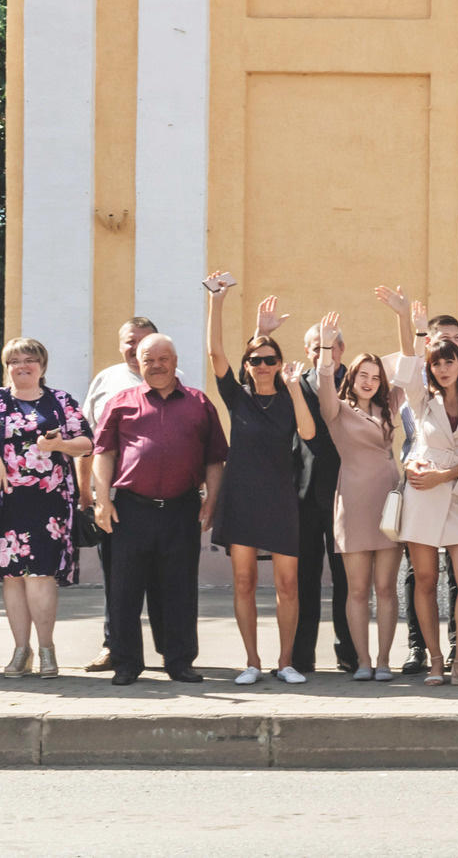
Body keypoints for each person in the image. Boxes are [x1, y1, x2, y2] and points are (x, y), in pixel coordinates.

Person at [90, 332, 226, 685]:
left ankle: (179, 661)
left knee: (179, 589)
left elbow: (215, 458)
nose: (155, 365)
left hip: (182, 510)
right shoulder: (122, 401)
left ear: (175, 361)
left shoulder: (198, 402)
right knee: (124, 590)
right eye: (148, 359)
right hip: (131, 510)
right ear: (139, 362)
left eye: (162, 358)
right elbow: (103, 452)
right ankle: (126, 663)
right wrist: (102, 500)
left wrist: (211, 500)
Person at [203, 273, 315, 685]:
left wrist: (295, 388)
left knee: (288, 584)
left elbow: (307, 433)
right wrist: (218, 300)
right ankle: (251, 660)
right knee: (245, 581)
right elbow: (215, 350)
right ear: (248, 366)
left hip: (281, 499)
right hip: (242, 499)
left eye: (271, 360)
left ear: (279, 364)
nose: (264, 366)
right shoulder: (237, 396)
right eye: (256, 360)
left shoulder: (290, 397)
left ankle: (285, 661)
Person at [0, 337, 92, 676]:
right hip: (2, 500)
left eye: (30, 360)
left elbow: (87, 442)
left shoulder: (59, 401)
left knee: (40, 575)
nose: (23, 366)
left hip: (47, 502)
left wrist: (60, 444)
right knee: (12, 578)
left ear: (42, 366)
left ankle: (47, 649)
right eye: (15, 361)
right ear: (7, 368)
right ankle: (22, 650)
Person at [311, 312, 408, 680]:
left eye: (375, 376)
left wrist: (402, 316)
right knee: (356, 590)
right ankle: (363, 662)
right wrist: (324, 346)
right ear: (351, 377)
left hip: (389, 501)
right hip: (351, 502)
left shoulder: (389, 407)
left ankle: (384, 661)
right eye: (363, 375)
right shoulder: (337, 409)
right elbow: (323, 379)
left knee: (385, 588)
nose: (369, 382)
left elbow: (409, 360)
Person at [400, 335, 458, 686]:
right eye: (436, 363)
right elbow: (408, 367)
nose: (442, 369)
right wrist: (407, 320)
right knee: (425, 580)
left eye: (448, 361)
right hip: (422, 495)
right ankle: (436, 662)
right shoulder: (422, 400)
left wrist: (447, 475)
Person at [78, 314, 157, 672]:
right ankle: (115, 647)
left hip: (164, 501)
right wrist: (86, 492)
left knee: (160, 580)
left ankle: (168, 648)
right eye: (129, 340)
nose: (135, 347)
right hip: (114, 497)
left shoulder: (175, 380)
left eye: (143, 340)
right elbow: (88, 441)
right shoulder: (106, 380)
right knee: (118, 579)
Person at [288, 317, 358, 679]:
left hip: (347, 494)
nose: (321, 352)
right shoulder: (295, 385)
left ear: (341, 349)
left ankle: (349, 653)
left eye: (329, 345)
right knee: (304, 579)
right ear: (307, 351)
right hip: (303, 496)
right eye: (315, 347)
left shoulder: (357, 383)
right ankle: (302, 657)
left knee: (347, 580)